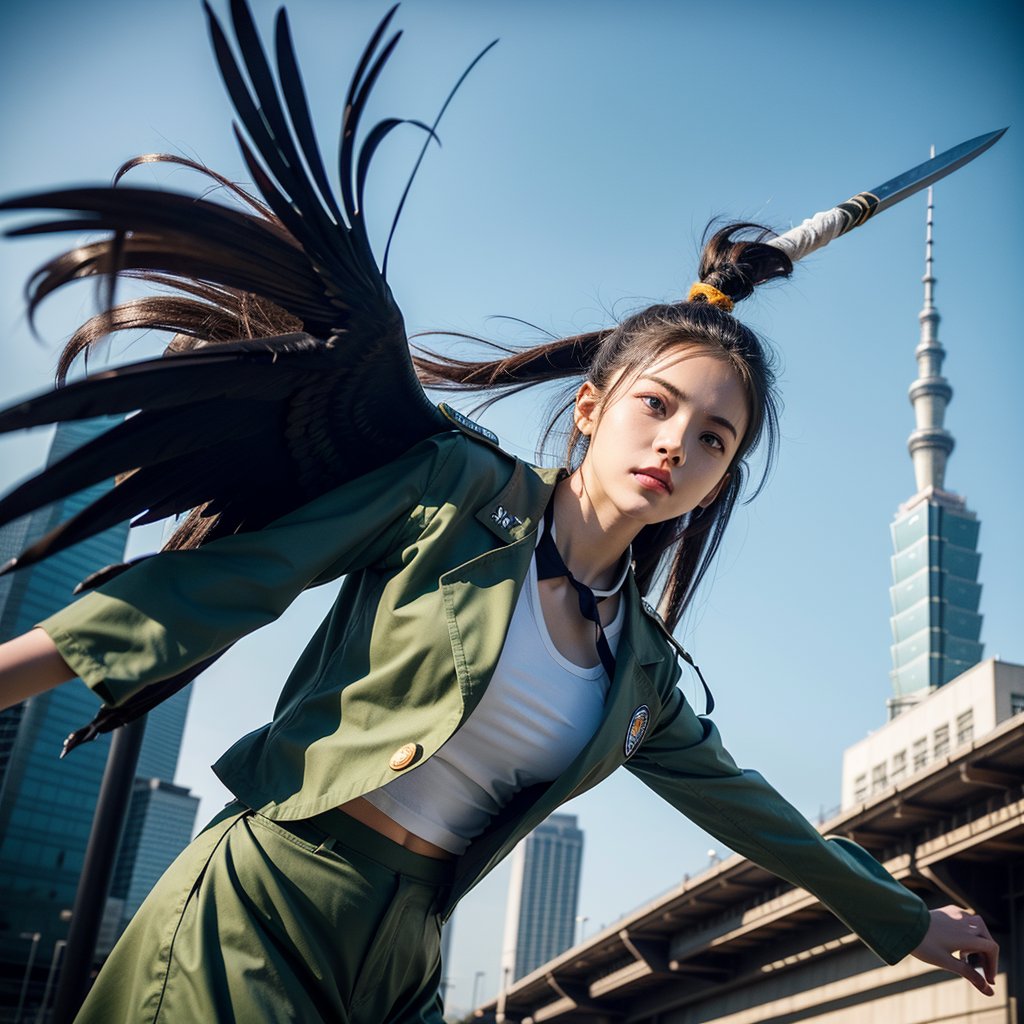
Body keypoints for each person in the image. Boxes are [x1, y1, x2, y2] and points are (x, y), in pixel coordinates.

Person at [0, 6, 1000, 1022]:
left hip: (402, 964)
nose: (675, 445)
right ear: (590, 407)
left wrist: (907, 918)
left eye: (713, 438)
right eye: (657, 406)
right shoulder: (450, 489)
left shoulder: (639, 670)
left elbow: (756, 815)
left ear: (718, 479)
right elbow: (212, 592)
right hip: (263, 905)